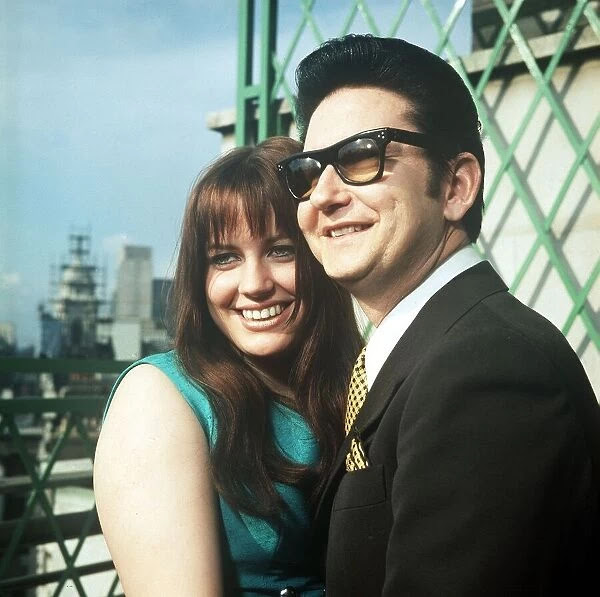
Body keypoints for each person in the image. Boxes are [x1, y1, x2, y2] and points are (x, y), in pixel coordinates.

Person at [277, 34, 600, 596]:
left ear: (456, 186)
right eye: (307, 171)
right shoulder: (423, 353)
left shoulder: (486, 370)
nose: (322, 196)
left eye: (361, 156)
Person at [94, 136, 363, 596]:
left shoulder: (356, 380)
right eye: (224, 258)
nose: (254, 285)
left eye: (281, 250)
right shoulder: (159, 397)